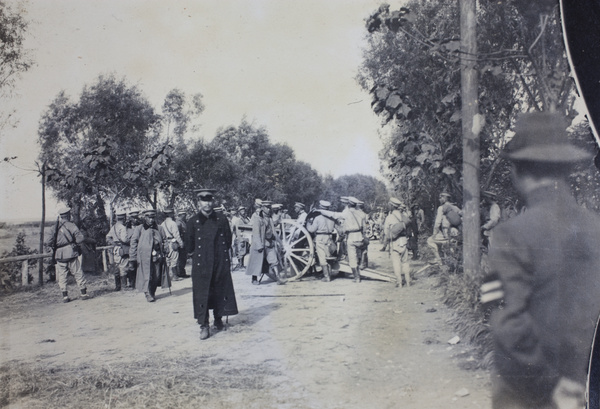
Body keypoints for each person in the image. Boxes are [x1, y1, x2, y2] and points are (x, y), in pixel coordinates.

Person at [480, 112, 600, 409]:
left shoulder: (513, 233)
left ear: (518, 169)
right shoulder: (594, 227)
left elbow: (507, 322)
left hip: (529, 391)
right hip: (582, 387)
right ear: (565, 168)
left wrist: (549, 385)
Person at [185, 189, 238, 340]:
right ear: (198, 203)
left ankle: (218, 319)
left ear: (212, 202)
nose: (206, 203)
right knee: (202, 294)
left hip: (219, 261)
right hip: (202, 264)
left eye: (209, 200)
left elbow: (227, 241)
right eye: (203, 200)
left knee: (219, 290)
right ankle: (204, 325)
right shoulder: (192, 222)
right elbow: (189, 246)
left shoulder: (221, 219)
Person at [45, 207, 90, 303]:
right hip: (71, 252)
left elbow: (48, 242)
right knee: (78, 273)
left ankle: (65, 296)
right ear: (68, 215)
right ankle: (83, 293)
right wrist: (74, 242)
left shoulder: (53, 228)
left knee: (62, 276)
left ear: (61, 216)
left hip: (59, 254)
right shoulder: (71, 225)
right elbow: (80, 239)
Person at [318, 197, 367, 283]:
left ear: (348, 204)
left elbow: (334, 214)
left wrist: (320, 211)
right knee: (360, 252)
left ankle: (357, 278)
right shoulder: (362, 214)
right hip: (360, 236)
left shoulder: (346, 213)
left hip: (351, 236)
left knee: (352, 258)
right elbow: (364, 229)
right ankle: (363, 262)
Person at [129, 209, 168, 302]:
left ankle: (152, 291)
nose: (151, 220)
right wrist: (132, 257)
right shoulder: (139, 229)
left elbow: (165, 240)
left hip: (157, 256)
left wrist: (166, 250)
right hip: (144, 258)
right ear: (145, 218)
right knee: (146, 275)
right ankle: (147, 293)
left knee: (156, 275)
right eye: (149, 217)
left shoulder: (159, 228)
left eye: (152, 217)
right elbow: (133, 242)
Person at [245, 200, 286, 285]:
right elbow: (256, 234)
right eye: (266, 207)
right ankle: (254, 279)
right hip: (259, 244)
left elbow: (273, 232)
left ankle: (278, 277)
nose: (268, 209)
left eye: (269, 207)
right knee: (256, 262)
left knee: (274, 261)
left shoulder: (269, 218)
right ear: (262, 208)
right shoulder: (257, 219)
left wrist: (280, 243)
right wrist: (259, 245)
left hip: (269, 244)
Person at [306, 200, 339, 282]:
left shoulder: (318, 218)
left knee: (322, 257)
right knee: (329, 256)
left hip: (320, 237)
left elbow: (311, 229)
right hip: (330, 237)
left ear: (320, 208)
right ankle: (329, 274)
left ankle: (326, 276)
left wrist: (308, 222)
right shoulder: (332, 218)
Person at [426, 192, 461, 265]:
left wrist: (434, 234)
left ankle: (439, 261)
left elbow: (437, 223)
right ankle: (453, 266)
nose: (439, 199)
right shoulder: (455, 207)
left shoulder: (441, 208)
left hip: (446, 231)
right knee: (451, 248)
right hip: (455, 231)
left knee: (430, 241)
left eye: (440, 198)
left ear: (444, 198)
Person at [384, 198, 412, 287]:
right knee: (405, 262)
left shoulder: (389, 217)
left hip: (394, 242)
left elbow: (386, 232)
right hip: (404, 241)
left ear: (392, 206)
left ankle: (399, 283)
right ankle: (408, 282)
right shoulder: (403, 216)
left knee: (396, 263)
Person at [105, 210, 131, 291]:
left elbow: (108, 237)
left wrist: (114, 243)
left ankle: (117, 286)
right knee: (123, 266)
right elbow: (125, 239)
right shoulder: (123, 228)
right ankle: (124, 286)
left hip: (116, 249)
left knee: (117, 266)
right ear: (124, 218)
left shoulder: (114, 227)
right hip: (123, 248)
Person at [159, 208, 184, 282]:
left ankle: (168, 276)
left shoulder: (162, 224)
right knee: (174, 259)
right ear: (171, 214)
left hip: (165, 243)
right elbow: (176, 235)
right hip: (172, 242)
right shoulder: (173, 223)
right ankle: (174, 276)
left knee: (167, 259)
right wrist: (181, 243)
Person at [125, 209, 141, 288]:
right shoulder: (127, 228)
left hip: (140, 249)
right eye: (133, 218)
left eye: (136, 217)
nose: (135, 219)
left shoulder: (141, 226)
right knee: (131, 267)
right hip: (130, 250)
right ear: (130, 218)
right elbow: (125, 239)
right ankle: (132, 283)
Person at [176, 210, 189, 278]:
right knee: (181, 258)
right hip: (181, 242)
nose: (185, 216)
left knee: (183, 258)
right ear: (181, 215)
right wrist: (180, 242)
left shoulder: (183, 222)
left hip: (185, 241)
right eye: (184, 215)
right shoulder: (178, 223)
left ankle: (181, 272)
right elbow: (178, 234)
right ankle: (180, 272)